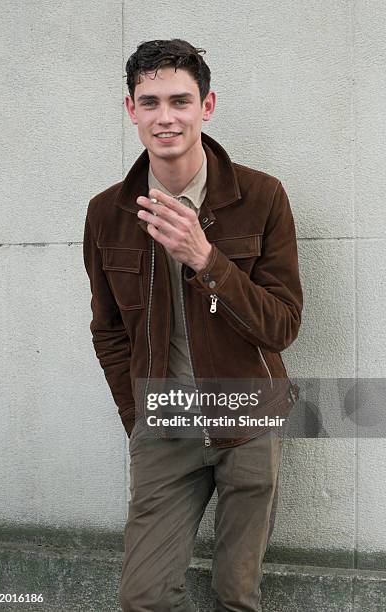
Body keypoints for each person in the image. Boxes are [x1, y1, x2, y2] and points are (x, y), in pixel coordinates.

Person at [83, 38, 303, 612]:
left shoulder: (260, 197)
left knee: (236, 595)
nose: (165, 117)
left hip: (249, 417)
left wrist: (208, 260)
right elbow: (107, 330)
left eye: (180, 100)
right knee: (144, 597)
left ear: (207, 106)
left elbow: (281, 325)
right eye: (149, 101)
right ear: (130, 109)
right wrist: (138, 416)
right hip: (165, 423)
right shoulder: (107, 212)